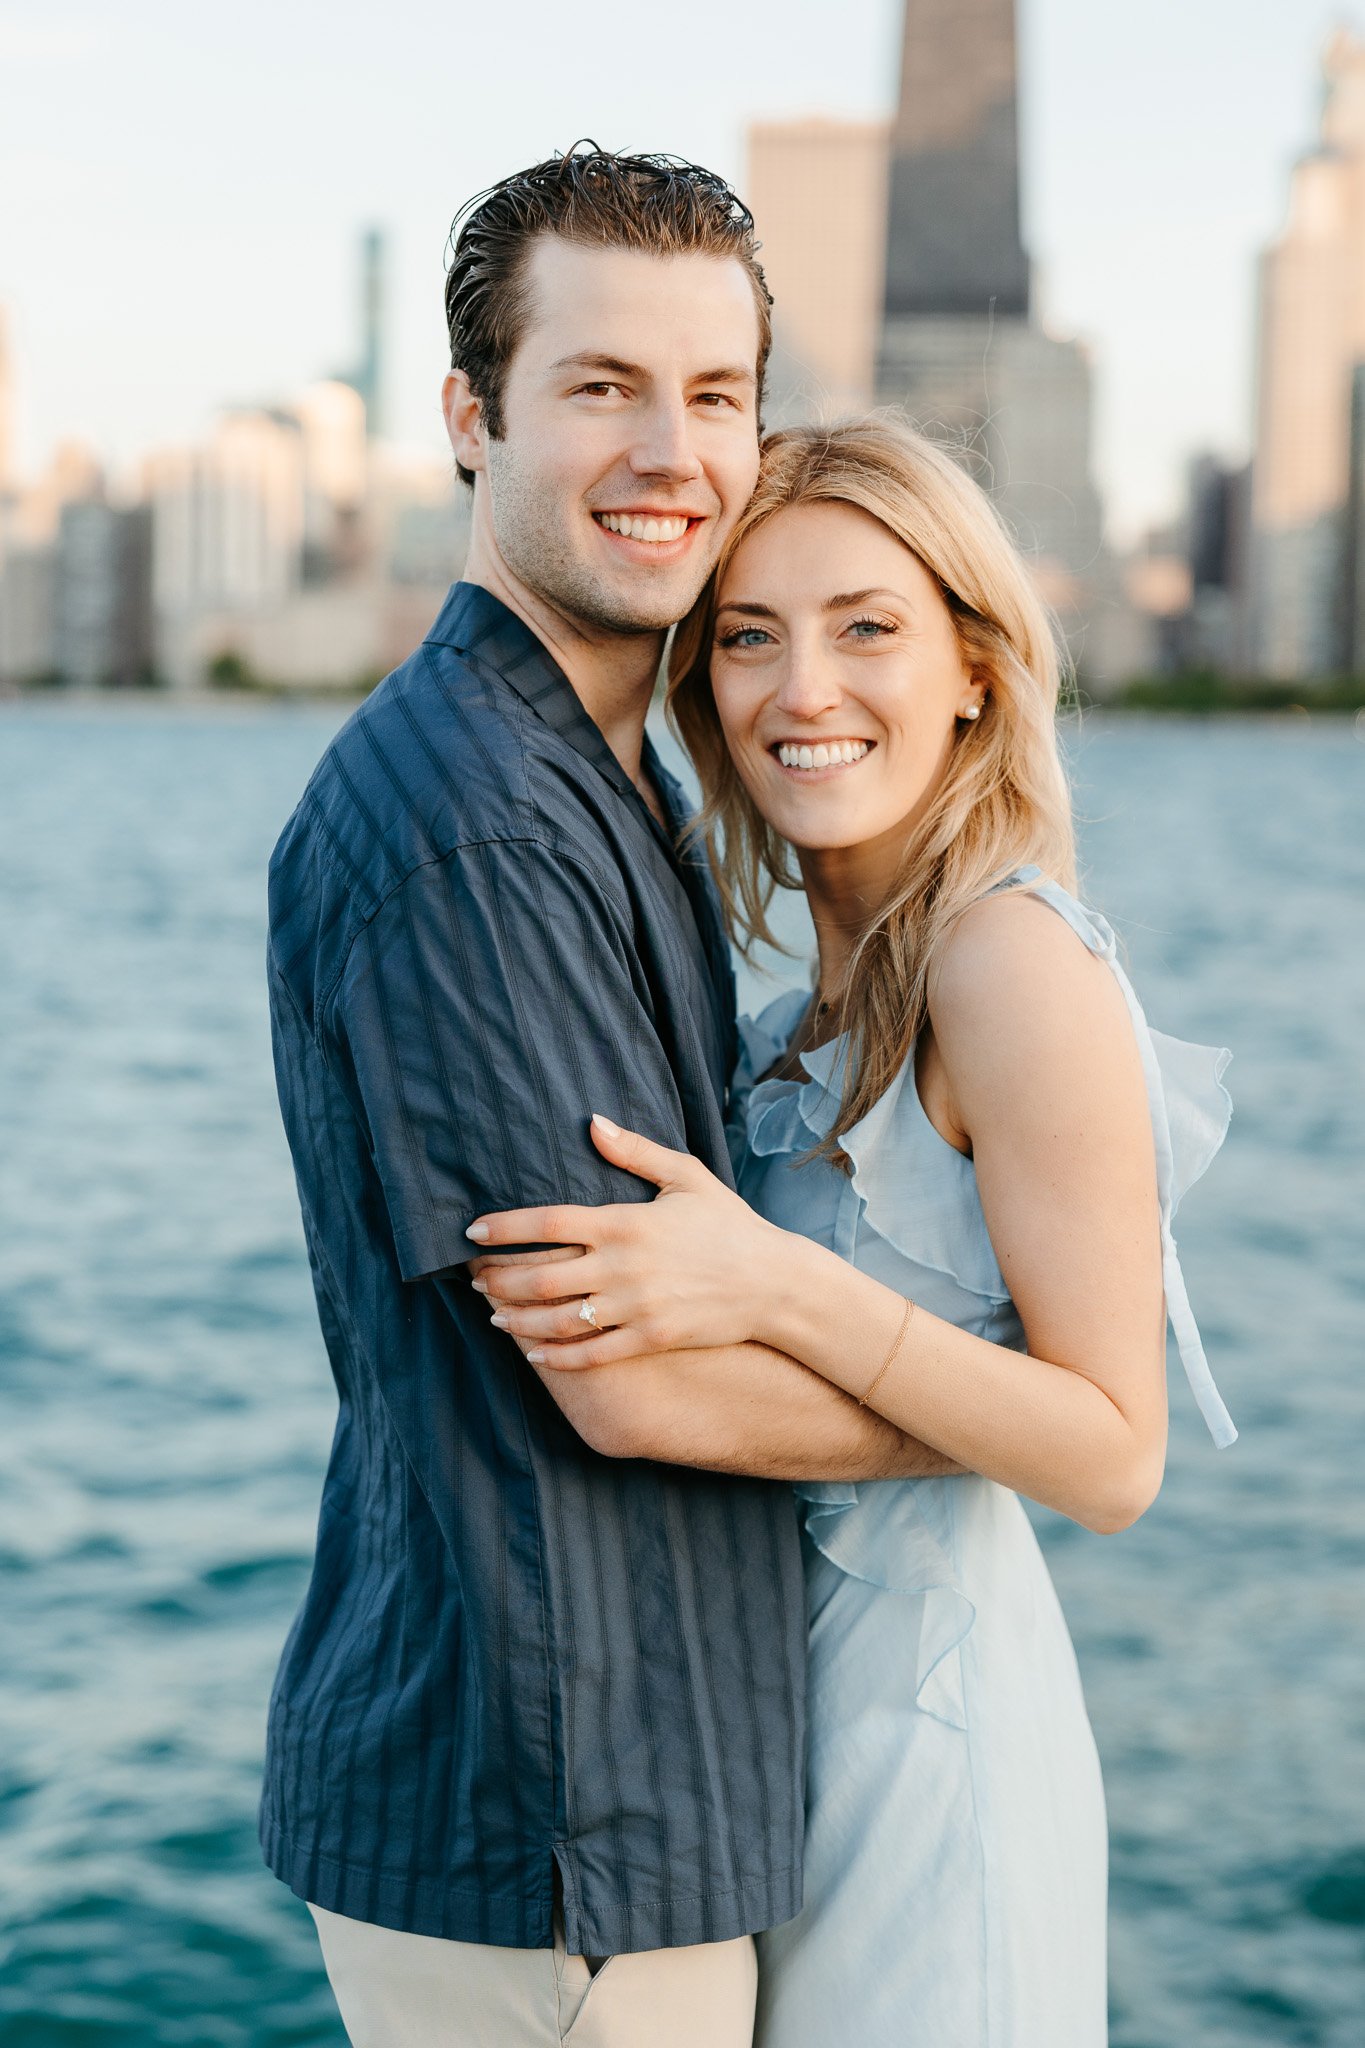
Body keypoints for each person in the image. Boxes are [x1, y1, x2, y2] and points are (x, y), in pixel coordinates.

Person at [263, 155, 959, 2048]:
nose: (672, 451)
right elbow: (631, 1376)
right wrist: (1013, 1427)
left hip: (612, 1814)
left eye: (715, 393)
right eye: (598, 388)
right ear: (471, 419)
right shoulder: (478, 825)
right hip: (562, 1836)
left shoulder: (603, 774)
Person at [469, 419, 1238, 2046]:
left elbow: (1112, 1456)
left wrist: (773, 1283)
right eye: (748, 635)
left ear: (971, 664)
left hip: (929, 1749)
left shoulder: (1006, 963)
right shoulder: (793, 1011)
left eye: (865, 626)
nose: (801, 689)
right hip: (767, 1749)